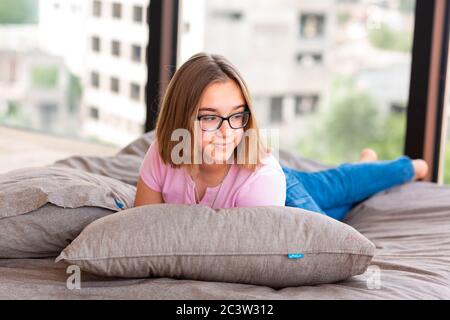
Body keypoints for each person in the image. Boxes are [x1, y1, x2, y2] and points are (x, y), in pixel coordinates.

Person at [134, 52, 428, 221]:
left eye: (237, 116)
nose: (228, 132)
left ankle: (409, 168)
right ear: (179, 119)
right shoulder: (163, 151)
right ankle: (365, 164)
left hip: (277, 189)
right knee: (334, 189)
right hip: (272, 181)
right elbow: (141, 225)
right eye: (210, 117)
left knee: (335, 206)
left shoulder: (261, 178)